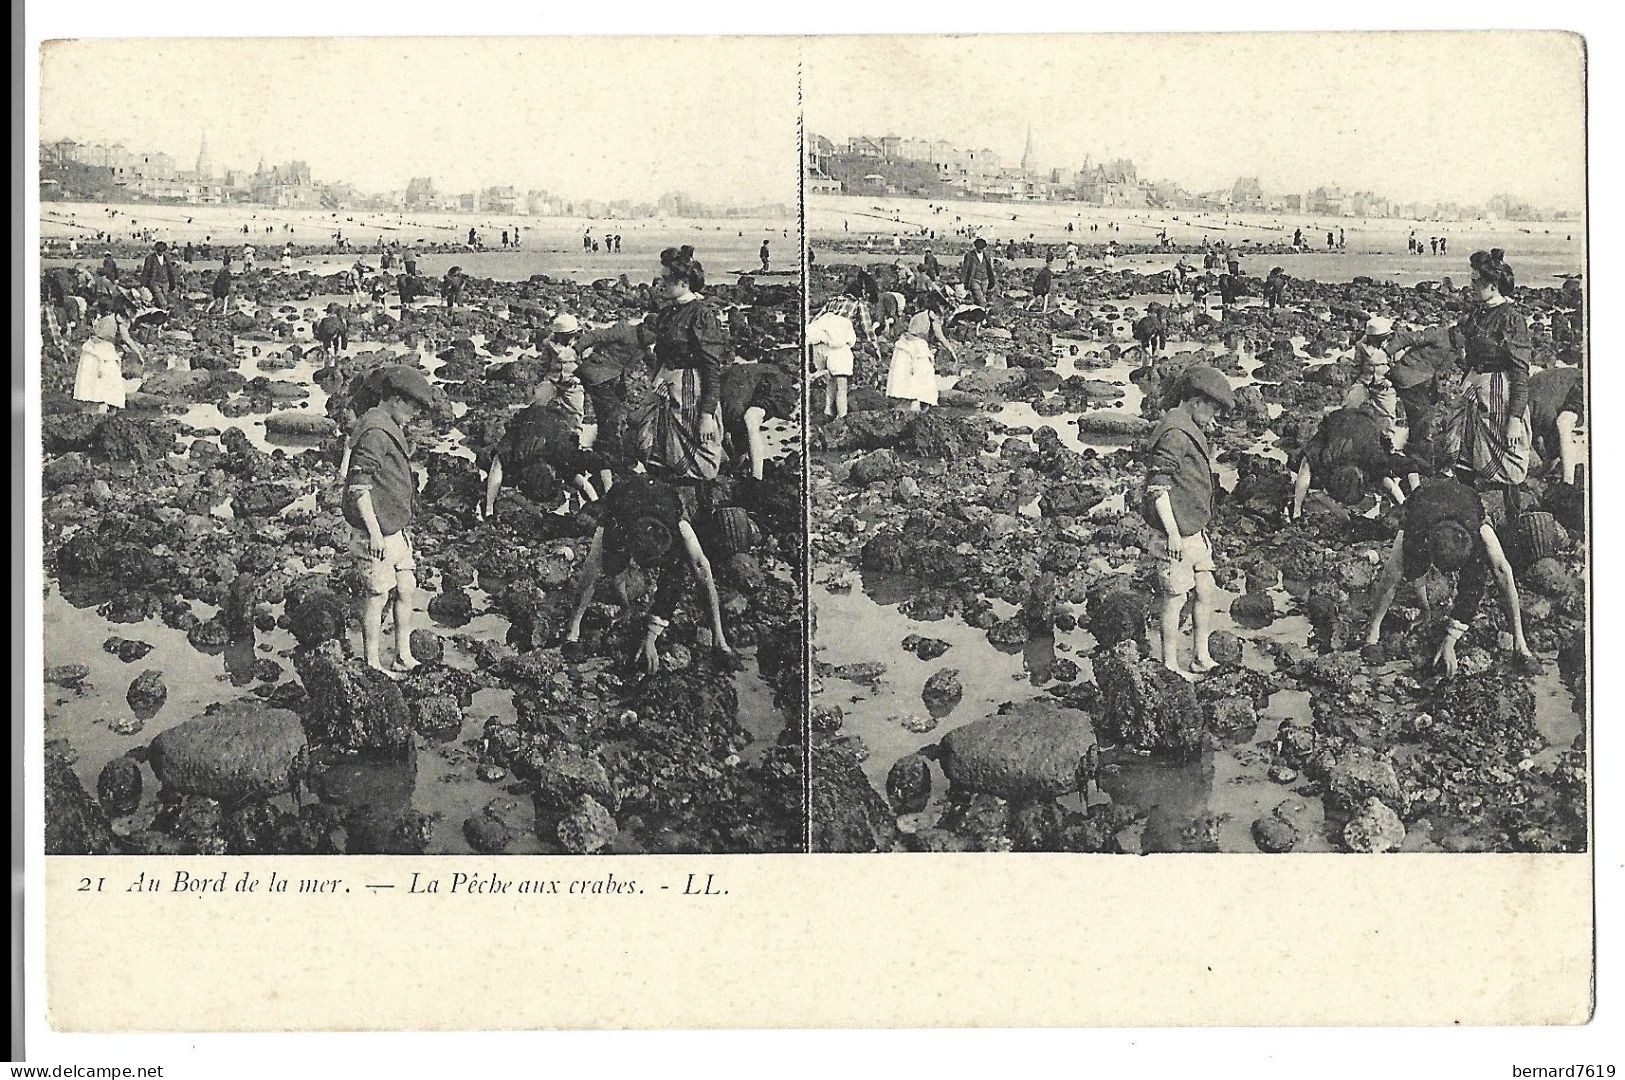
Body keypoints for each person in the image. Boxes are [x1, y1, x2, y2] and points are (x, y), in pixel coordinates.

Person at [562, 474, 739, 674]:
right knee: (595, 564)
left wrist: (651, 635)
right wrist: (625, 609)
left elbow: (688, 576)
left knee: (701, 568)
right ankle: (573, 630)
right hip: (622, 499)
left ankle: (720, 640)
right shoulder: (617, 527)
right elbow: (603, 571)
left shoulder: (680, 529)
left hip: (665, 498)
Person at [1362, 477, 1540, 675]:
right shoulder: (1417, 527)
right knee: (1391, 573)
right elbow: (1413, 568)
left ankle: (1521, 645)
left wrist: (1450, 640)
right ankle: (1372, 635)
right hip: (1422, 501)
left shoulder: (1475, 534)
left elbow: (1473, 587)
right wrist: (1424, 607)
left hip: (1468, 503)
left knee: (1503, 570)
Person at [343, 364, 438, 676]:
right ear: (396, 400)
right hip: (376, 532)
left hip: (395, 529)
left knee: (406, 587)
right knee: (377, 595)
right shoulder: (374, 432)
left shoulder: (387, 425)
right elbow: (359, 486)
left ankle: (403, 653)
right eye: (412, 407)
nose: (414, 415)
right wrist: (373, 533)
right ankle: (372, 662)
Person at [1142, 365, 1234, 675]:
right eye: (1213, 409)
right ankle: (1169, 664)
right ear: (1195, 401)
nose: (1215, 416)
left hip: (1194, 530)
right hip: (1176, 531)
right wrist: (1171, 534)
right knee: (1175, 597)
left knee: (1206, 589)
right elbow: (1158, 487)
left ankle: (1200, 655)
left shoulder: (1187, 428)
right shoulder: (1175, 433)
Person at [630, 246, 725, 485]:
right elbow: (662, 352)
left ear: (683, 283)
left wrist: (707, 415)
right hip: (668, 384)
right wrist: (660, 376)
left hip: (692, 389)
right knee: (652, 438)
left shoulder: (701, 314)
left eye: (666, 279)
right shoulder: (668, 312)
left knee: (700, 450)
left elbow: (712, 367)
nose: (660, 284)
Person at [1438, 249, 1532, 489]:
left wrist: (1515, 419)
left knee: (1505, 458)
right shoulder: (1478, 312)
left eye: (1476, 281)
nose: (1471, 286)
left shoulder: (1511, 318)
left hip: (1499, 392)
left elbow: (1520, 372)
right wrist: (1465, 381)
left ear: (1493, 285)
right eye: (1471, 280)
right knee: (1460, 443)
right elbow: (1470, 354)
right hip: (1474, 386)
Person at [483, 382, 607, 516]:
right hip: (540, 417)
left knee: (561, 390)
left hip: (559, 417)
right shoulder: (521, 454)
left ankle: (554, 381)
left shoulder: (561, 456)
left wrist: (490, 509)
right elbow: (584, 483)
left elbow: (584, 483)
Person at [1289, 406, 1416, 519]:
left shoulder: (1372, 459)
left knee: (1380, 471)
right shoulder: (1327, 458)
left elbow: (1389, 484)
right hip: (1340, 423)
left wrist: (1406, 508)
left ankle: (1296, 510)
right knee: (1307, 465)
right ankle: (1296, 510)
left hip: (1364, 425)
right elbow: (1306, 465)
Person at [720, 357, 798, 480]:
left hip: (772, 384)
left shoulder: (730, 411)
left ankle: (757, 479)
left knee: (750, 418)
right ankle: (745, 468)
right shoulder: (727, 413)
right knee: (744, 424)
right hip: (750, 380)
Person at [886, 292, 955, 412]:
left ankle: (906, 413)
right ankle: (923, 413)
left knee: (906, 384)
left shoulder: (918, 315)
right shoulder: (934, 315)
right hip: (918, 348)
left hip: (905, 345)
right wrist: (951, 350)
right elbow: (939, 335)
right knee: (926, 384)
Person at [1342, 316, 1403, 443]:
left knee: (1386, 416)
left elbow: (1399, 367)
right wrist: (1352, 383)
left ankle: (1387, 442)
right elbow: (1357, 366)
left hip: (1384, 384)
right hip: (1364, 381)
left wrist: (1391, 381)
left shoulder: (1395, 346)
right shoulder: (1361, 345)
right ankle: (1347, 437)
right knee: (1350, 406)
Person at [1529, 366, 1584, 486]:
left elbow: (1553, 454)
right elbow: (1537, 441)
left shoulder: (1538, 409)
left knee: (1563, 422)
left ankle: (1568, 483)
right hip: (1562, 386)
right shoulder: (1532, 409)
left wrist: (1541, 473)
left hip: (1580, 384)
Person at [807, 293, 859, 419]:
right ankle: (842, 417)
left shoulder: (831, 302)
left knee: (829, 380)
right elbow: (863, 330)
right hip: (838, 348)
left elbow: (815, 320)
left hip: (819, 345)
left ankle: (828, 411)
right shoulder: (857, 304)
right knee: (841, 386)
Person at [73, 314, 138, 414]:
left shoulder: (113, 322)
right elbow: (122, 338)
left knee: (103, 387)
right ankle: (103, 410)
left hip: (102, 351)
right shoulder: (110, 322)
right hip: (102, 352)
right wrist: (138, 353)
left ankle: (103, 409)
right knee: (106, 386)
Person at [533, 312, 587, 431]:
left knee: (575, 413)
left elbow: (587, 365)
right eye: (563, 336)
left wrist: (579, 378)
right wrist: (539, 379)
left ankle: (574, 438)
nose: (567, 339)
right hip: (552, 381)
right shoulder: (550, 345)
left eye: (570, 335)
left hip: (572, 384)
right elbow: (543, 363)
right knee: (539, 404)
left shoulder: (581, 345)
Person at [961, 237, 997, 308]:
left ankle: (977, 310)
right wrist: (963, 282)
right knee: (981, 300)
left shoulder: (986, 255)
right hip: (974, 280)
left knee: (981, 296)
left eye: (982, 248)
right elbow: (965, 269)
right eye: (979, 248)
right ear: (975, 247)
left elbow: (989, 268)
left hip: (985, 280)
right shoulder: (969, 255)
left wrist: (992, 280)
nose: (980, 250)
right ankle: (984, 312)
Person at [139, 241, 172, 310]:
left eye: (162, 251)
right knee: (162, 301)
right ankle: (164, 314)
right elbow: (146, 271)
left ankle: (158, 314)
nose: (160, 252)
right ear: (156, 250)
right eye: (159, 251)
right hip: (154, 282)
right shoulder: (150, 258)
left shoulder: (166, 258)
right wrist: (143, 284)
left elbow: (170, 271)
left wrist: (172, 283)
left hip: (165, 282)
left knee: (162, 299)